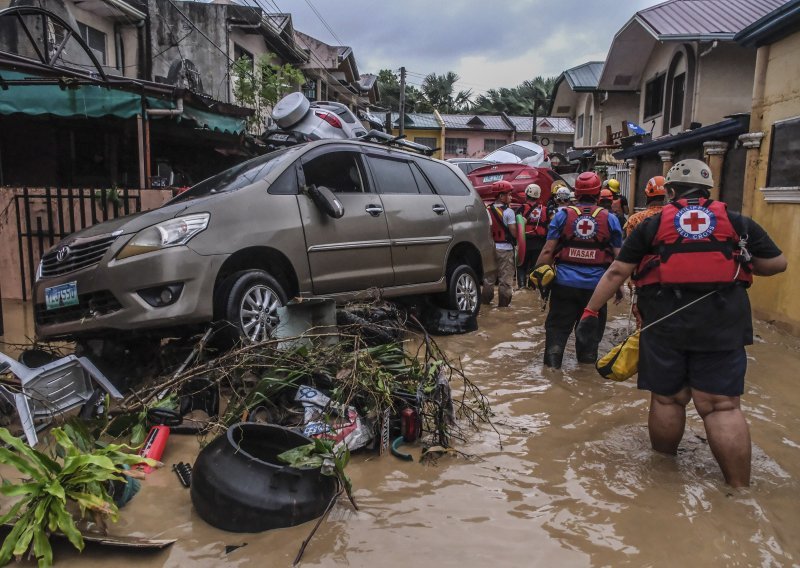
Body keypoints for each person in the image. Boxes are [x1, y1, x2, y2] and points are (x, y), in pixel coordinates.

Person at [576, 159, 787, 487]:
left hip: (664, 321)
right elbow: (777, 263)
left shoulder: (652, 224)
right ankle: (739, 491)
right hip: (723, 323)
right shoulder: (735, 221)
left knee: (667, 399)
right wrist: (742, 262)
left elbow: (618, 271)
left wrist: (590, 312)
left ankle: (663, 478)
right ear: (707, 190)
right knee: (722, 407)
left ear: (670, 191)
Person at [532, 171, 623, 368]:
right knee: (589, 339)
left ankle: (552, 372)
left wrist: (539, 277)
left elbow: (548, 250)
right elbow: (619, 258)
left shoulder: (562, 215)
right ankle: (586, 377)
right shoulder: (610, 219)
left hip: (563, 285)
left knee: (557, 332)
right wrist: (619, 287)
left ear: (576, 193)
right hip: (597, 290)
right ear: (598, 193)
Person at [481, 180, 518, 307]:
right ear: (501, 196)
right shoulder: (509, 212)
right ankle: (503, 308)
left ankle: (485, 305)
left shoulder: (486, 210)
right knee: (505, 281)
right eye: (509, 194)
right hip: (505, 250)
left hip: (489, 249)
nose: (511, 197)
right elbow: (514, 233)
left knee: (488, 279)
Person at [518, 183, 549, 288]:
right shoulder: (545, 209)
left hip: (524, 243)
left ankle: (521, 287)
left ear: (526, 194)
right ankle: (532, 288)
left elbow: (516, 225)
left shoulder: (521, 208)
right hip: (540, 243)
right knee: (535, 267)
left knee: (521, 266)